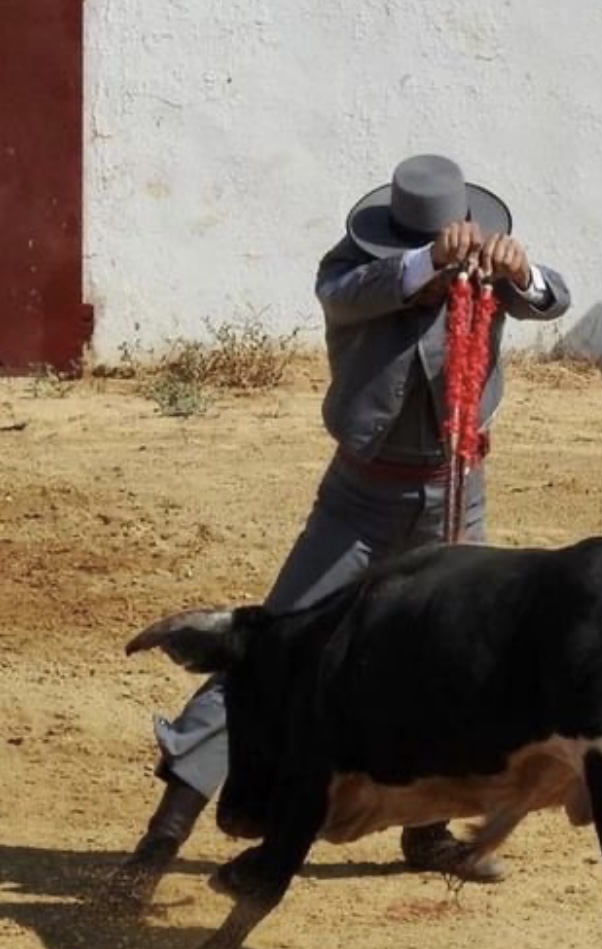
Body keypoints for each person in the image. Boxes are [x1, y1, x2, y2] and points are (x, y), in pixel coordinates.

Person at [108, 153, 572, 910]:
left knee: (450, 664)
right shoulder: (355, 271)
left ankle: (425, 832)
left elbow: (551, 298)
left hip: (459, 493)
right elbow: (363, 291)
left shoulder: (487, 279)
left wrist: (524, 273)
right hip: (360, 504)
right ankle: (158, 843)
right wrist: (430, 261)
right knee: (270, 655)